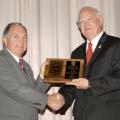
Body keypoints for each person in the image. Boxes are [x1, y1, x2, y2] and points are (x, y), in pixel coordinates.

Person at [48, 6, 120, 120]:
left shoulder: (116, 45)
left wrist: (90, 84)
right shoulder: (76, 53)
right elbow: (71, 84)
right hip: (81, 115)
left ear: (100, 20)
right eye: (81, 22)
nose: (85, 24)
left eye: (89, 19)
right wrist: (62, 98)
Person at [0, 22, 57, 120]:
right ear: (5, 40)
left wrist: (43, 76)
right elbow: (17, 89)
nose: (21, 41)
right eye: (16, 36)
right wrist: (48, 99)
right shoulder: (2, 60)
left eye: (25, 37)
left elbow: (33, 92)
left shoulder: (24, 65)